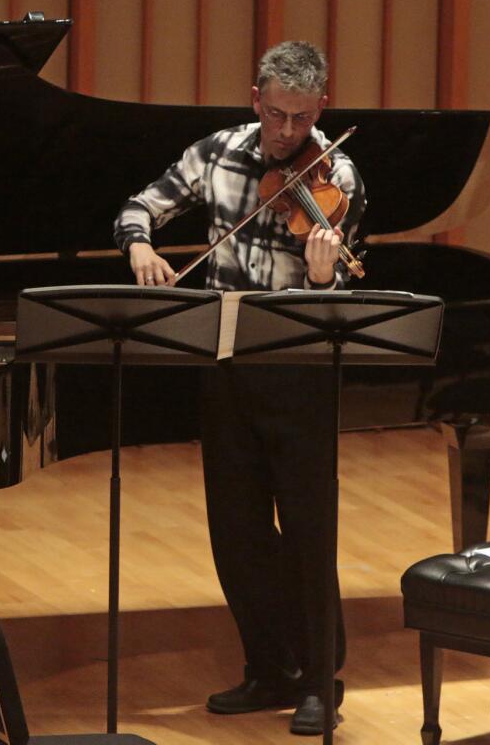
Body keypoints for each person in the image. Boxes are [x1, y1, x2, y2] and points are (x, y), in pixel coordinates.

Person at [114, 42, 365, 735]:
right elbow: (141, 205)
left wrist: (320, 277)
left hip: (301, 376)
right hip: (224, 368)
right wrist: (139, 244)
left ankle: (321, 680)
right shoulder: (217, 152)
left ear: (321, 109)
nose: (288, 133)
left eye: (302, 118)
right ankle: (267, 668)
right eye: (278, 114)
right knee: (238, 531)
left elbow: (340, 287)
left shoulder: (335, 173)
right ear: (256, 98)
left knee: (310, 533)